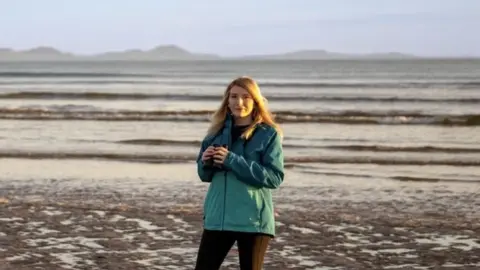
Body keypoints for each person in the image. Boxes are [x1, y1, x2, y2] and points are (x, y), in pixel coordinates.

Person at [194, 76, 285, 270]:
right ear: (227, 100)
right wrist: (206, 162)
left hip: (253, 221)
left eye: (246, 97)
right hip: (218, 217)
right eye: (234, 96)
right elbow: (204, 176)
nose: (239, 102)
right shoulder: (214, 134)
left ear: (255, 101)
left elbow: (274, 177)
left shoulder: (269, 134)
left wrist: (232, 160)